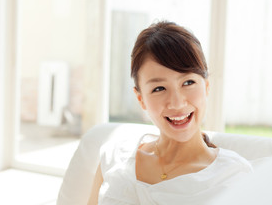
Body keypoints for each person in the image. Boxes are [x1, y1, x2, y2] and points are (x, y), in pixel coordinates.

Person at [87, 21, 253, 205]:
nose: (177, 103)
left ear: (206, 87)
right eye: (159, 88)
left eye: (188, 83)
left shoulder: (234, 176)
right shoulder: (115, 156)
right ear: (141, 98)